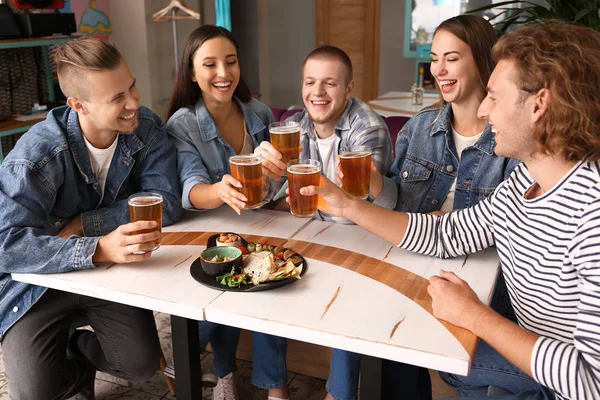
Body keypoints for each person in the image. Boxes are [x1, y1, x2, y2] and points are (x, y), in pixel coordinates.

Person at [295, 20, 600, 400]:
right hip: (533, 348)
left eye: (495, 97)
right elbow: (447, 233)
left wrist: (475, 315)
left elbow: (591, 381)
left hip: (565, 384)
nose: (485, 112)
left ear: (540, 104)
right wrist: (347, 204)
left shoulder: (591, 213)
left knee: (430, 347)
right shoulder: (525, 183)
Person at [323, 15, 521, 400]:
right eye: (434, 59)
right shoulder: (419, 128)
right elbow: (399, 201)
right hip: (412, 261)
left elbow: (508, 229)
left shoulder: (509, 140)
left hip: (479, 284)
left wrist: (445, 224)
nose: (439, 70)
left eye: (451, 58)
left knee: (463, 373)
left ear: (481, 63)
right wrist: (376, 183)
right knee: (364, 321)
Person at [0, 37, 182, 400]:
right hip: (38, 286)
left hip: (106, 278)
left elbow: (168, 202)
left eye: (131, 86)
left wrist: (87, 226)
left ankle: (77, 350)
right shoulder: (35, 156)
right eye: (117, 98)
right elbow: (6, 246)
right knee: (34, 394)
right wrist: (95, 249)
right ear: (77, 105)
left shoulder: (144, 127)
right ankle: (67, 370)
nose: (134, 103)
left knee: (141, 365)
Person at [255, 45, 395, 400]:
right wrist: (264, 168)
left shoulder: (368, 129)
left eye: (329, 83)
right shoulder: (292, 127)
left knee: (352, 296)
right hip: (311, 234)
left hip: (362, 237)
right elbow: (263, 197)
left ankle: (339, 394)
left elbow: (361, 201)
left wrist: (300, 194)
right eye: (310, 82)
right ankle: (275, 390)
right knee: (265, 275)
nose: (317, 93)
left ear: (349, 89)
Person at [165, 25, 285, 400]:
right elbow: (190, 190)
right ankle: (222, 373)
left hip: (261, 223)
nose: (223, 73)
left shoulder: (259, 112)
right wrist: (219, 189)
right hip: (210, 231)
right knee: (223, 279)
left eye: (230, 62)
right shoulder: (182, 124)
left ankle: (268, 387)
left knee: (271, 286)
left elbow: (275, 186)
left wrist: (278, 173)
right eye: (210, 64)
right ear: (191, 72)